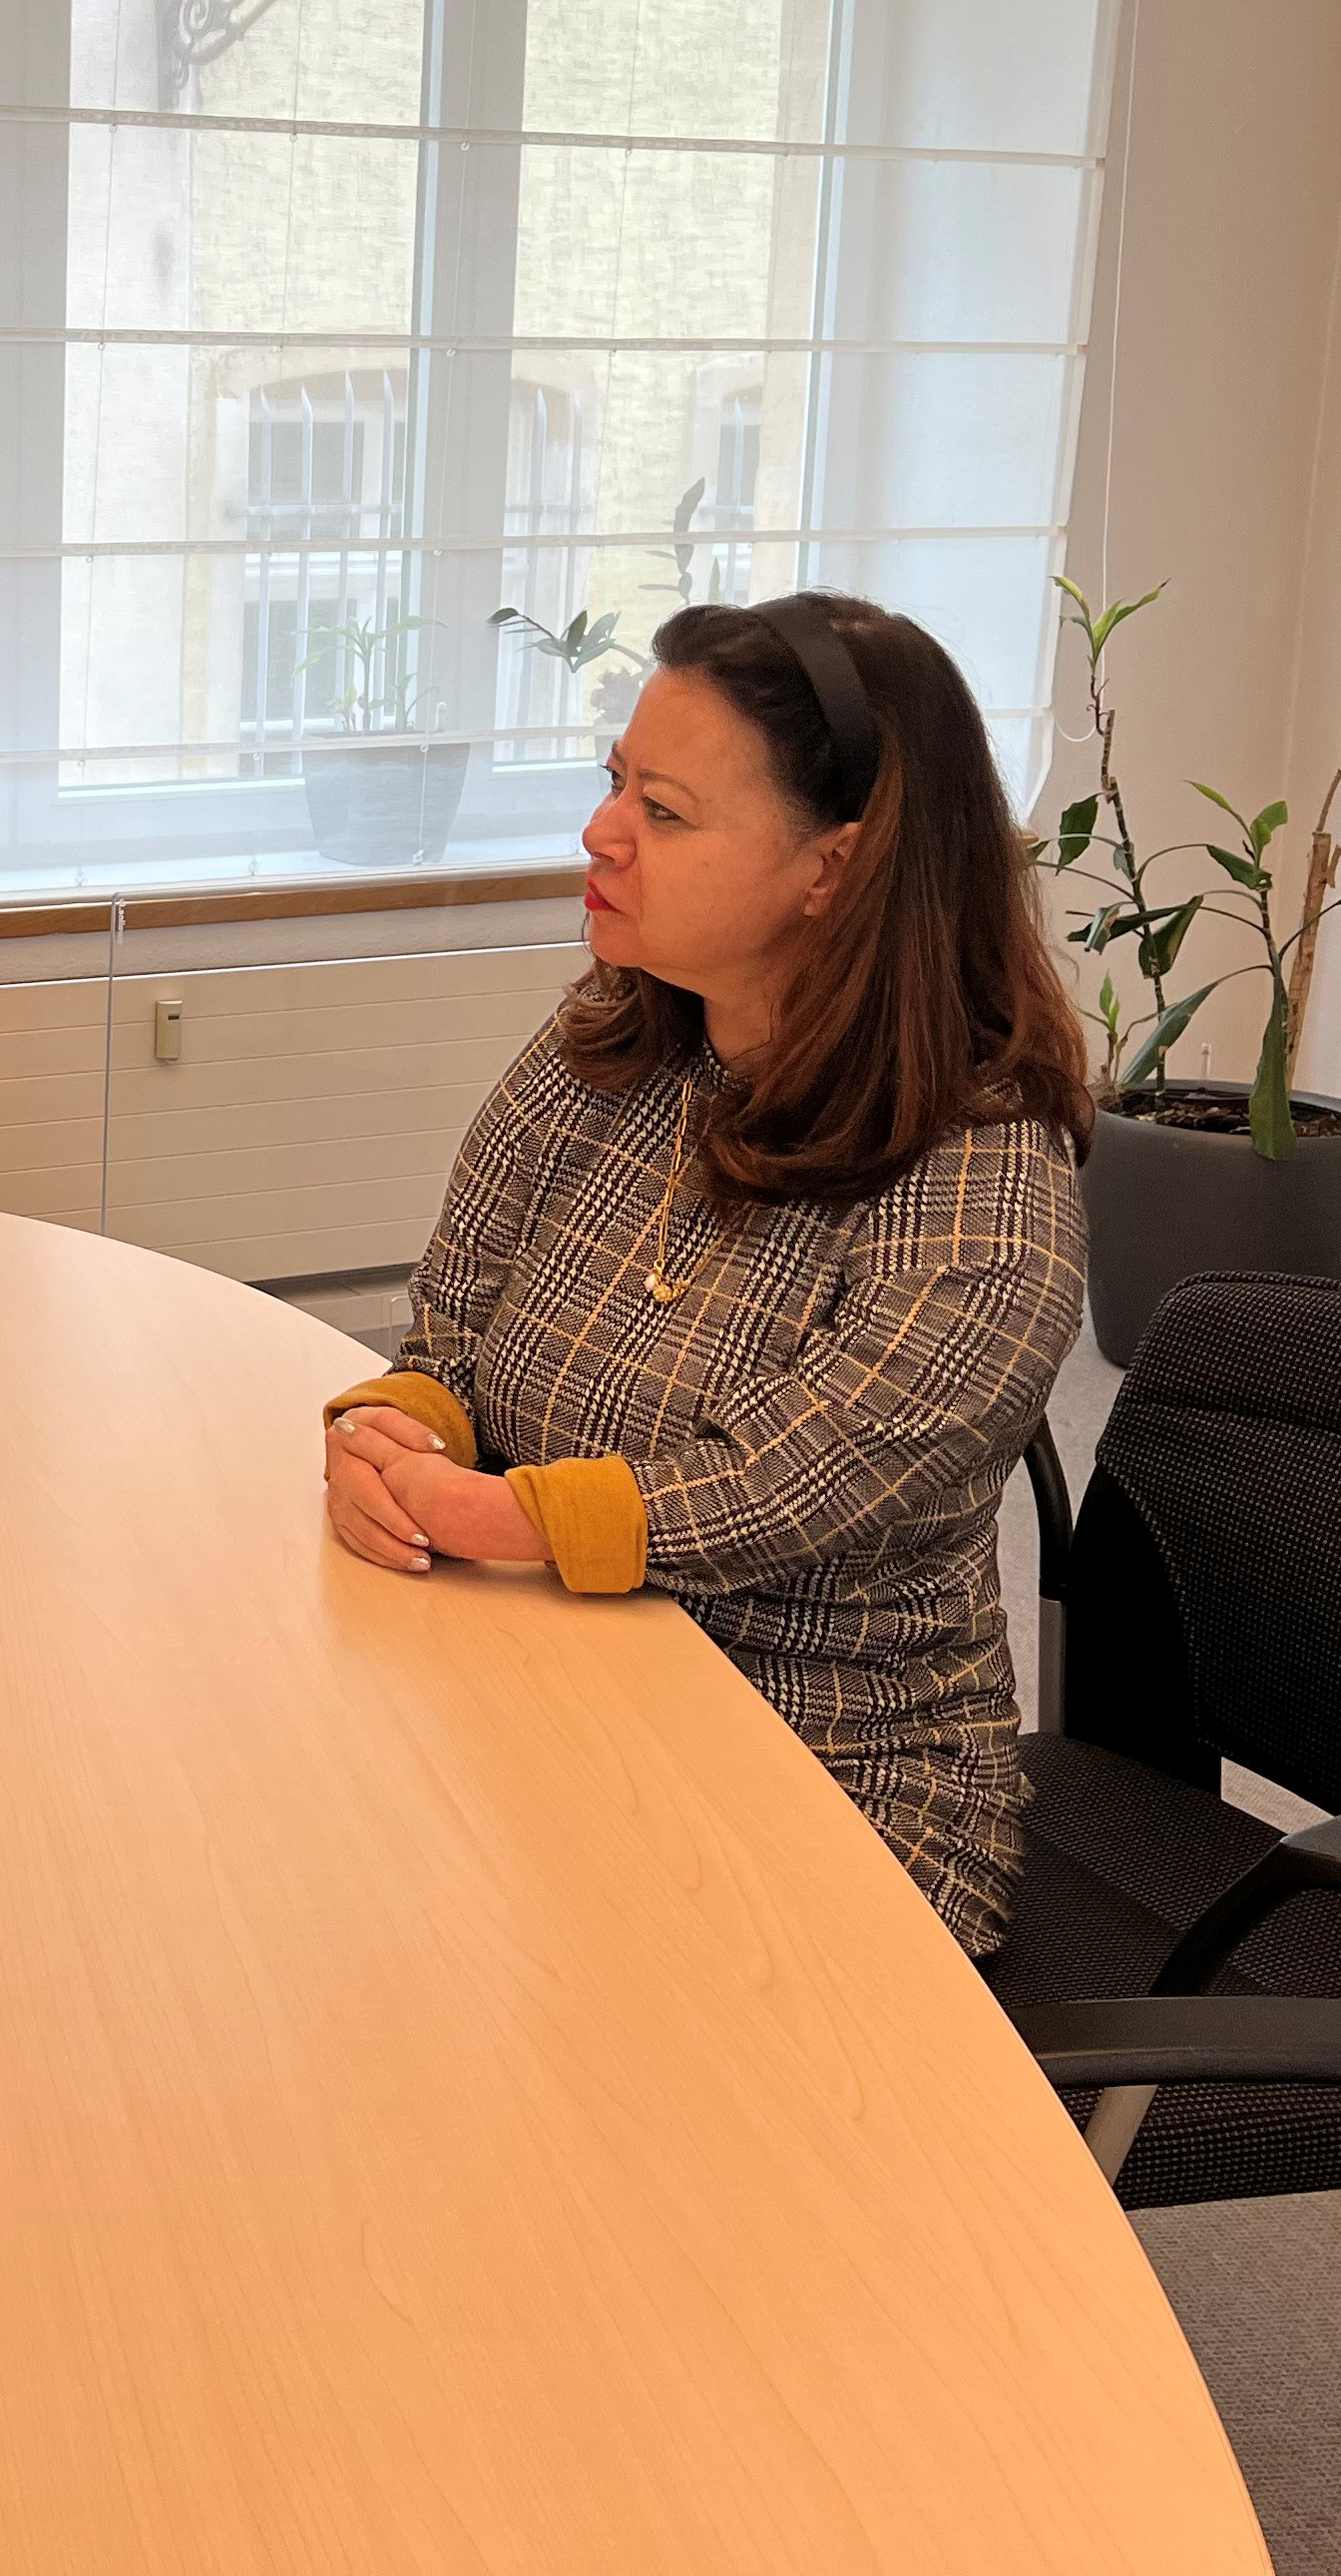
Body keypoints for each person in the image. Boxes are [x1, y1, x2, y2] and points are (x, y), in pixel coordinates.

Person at [321, 593, 1090, 1953]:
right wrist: (396, 1434)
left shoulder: (984, 1185)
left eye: (665, 813)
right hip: (554, 1676)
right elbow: (453, 1324)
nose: (601, 832)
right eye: (614, 780)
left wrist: (488, 1516)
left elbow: (779, 1489)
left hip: (822, 1775)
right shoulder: (614, 1041)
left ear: (834, 868)